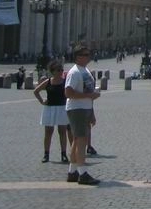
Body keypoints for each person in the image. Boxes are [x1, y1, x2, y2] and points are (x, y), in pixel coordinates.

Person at [64, 44, 101, 185]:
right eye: (86, 55)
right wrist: (89, 95)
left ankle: (72, 172)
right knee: (81, 142)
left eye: (89, 54)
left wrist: (91, 112)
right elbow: (68, 92)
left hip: (84, 108)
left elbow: (89, 93)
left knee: (76, 141)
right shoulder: (74, 72)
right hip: (77, 109)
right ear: (78, 57)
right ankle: (83, 173)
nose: (89, 57)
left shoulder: (84, 70)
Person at [33, 60, 72, 163]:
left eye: (62, 70)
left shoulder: (65, 82)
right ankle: (46, 154)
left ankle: (63, 154)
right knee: (48, 132)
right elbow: (36, 91)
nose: (60, 72)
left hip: (62, 108)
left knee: (62, 132)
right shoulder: (48, 82)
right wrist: (42, 101)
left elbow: (70, 92)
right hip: (49, 108)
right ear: (52, 71)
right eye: (58, 70)